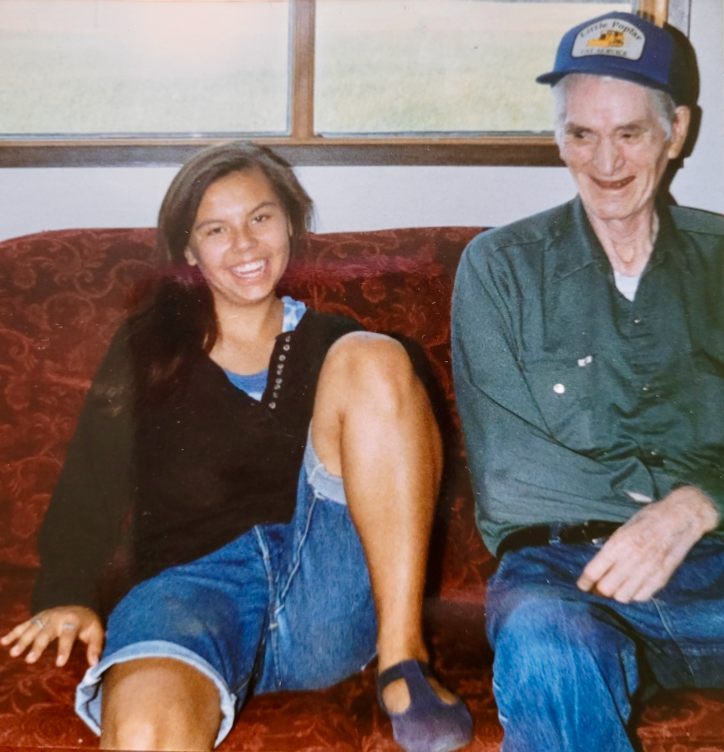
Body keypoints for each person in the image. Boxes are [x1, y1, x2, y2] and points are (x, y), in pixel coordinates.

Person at [2, 142, 472, 752]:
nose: (246, 245)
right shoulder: (147, 347)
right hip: (188, 596)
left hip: (325, 592)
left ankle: (403, 662)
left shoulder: (336, 343)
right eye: (216, 229)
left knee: (376, 357)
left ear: (290, 224)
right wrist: (65, 596)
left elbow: (414, 477)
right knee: (144, 731)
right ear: (189, 251)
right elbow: (87, 488)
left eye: (260, 217)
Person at [451, 11, 724, 752]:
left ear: (678, 132)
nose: (606, 162)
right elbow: (510, 475)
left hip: (716, 568)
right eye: (582, 134)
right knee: (545, 645)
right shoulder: (499, 269)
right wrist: (659, 510)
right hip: (568, 575)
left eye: (630, 133)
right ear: (559, 137)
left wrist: (698, 504)